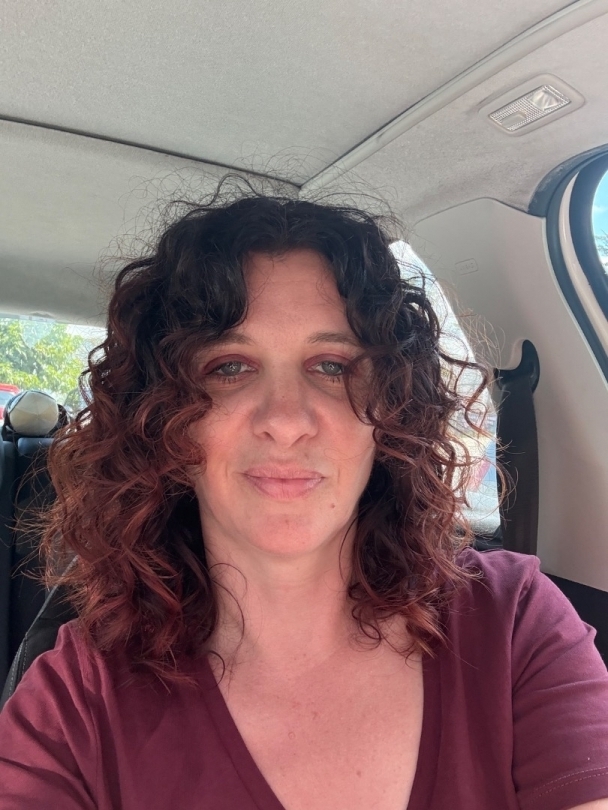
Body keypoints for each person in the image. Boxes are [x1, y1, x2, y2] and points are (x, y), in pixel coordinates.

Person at [0, 181, 607, 810]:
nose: (286, 420)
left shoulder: (513, 624)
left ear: (392, 410)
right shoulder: (77, 705)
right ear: (162, 422)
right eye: (229, 367)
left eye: (332, 366)